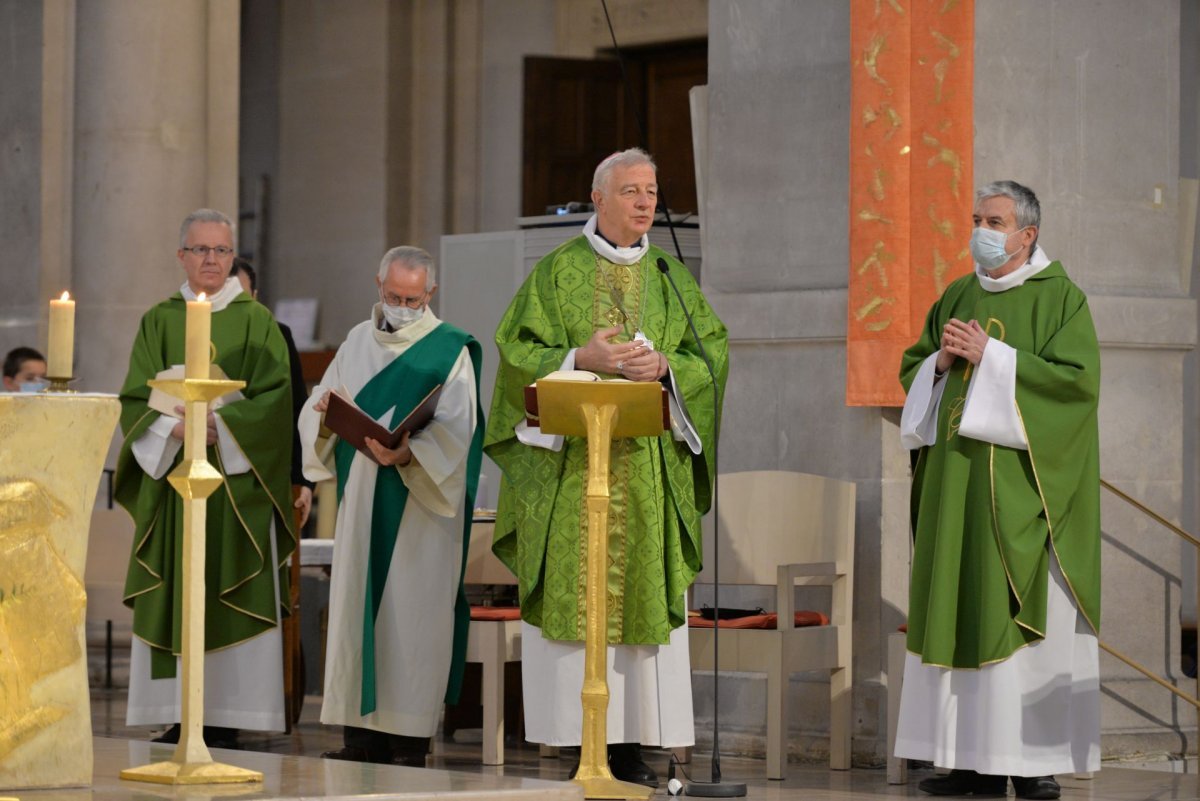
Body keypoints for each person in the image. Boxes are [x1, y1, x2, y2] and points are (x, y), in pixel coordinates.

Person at [485, 148, 728, 787]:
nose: (646, 202)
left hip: (648, 472)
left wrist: (668, 368)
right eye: (631, 191)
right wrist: (577, 355)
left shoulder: (673, 276)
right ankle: (578, 744)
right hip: (573, 477)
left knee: (645, 596)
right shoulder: (556, 272)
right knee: (577, 591)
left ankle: (642, 748)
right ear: (597, 198)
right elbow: (514, 355)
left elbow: (713, 355)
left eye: (651, 190)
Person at [895, 181, 1101, 800]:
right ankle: (960, 759)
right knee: (955, 610)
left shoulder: (1062, 299)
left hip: (1020, 493)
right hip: (953, 482)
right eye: (978, 218)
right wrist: (937, 365)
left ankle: (1029, 762)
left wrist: (994, 356)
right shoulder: (958, 292)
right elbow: (918, 363)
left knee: (1014, 617)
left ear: (1026, 235)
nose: (981, 230)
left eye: (995, 221)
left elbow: (1076, 388)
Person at [114, 209, 296, 748]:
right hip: (175, 485)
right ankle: (177, 713)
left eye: (221, 251)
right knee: (178, 581)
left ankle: (228, 711)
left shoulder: (256, 320)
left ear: (232, 257)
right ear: (181, 256)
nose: (211, 260)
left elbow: (277, 400)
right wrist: (174, 428)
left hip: (235, 487)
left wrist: (224, 428)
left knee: (227, 576)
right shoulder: (158, 319)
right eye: (200, 250)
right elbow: (133, 397)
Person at [298, 246, 483, 767]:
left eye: (413, 298)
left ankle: (407, 740)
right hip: (361, 497)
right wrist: (320, 414)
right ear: (377, 284)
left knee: (412, 616)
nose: (402, 305)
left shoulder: (450, 349)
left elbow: (458, 429)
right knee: (359, 608)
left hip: (419, 504)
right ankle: (360, 737)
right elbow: (322, 408)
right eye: (393, 295)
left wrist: (409, 452)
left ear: (431, 294)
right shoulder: (356, 341)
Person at [231, 258, 315, 528]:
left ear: (255, 297)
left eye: (242, 298)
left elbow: (297, 408)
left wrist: (303, 480)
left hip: (266, 472)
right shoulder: (197, 337)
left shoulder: (277, 335)